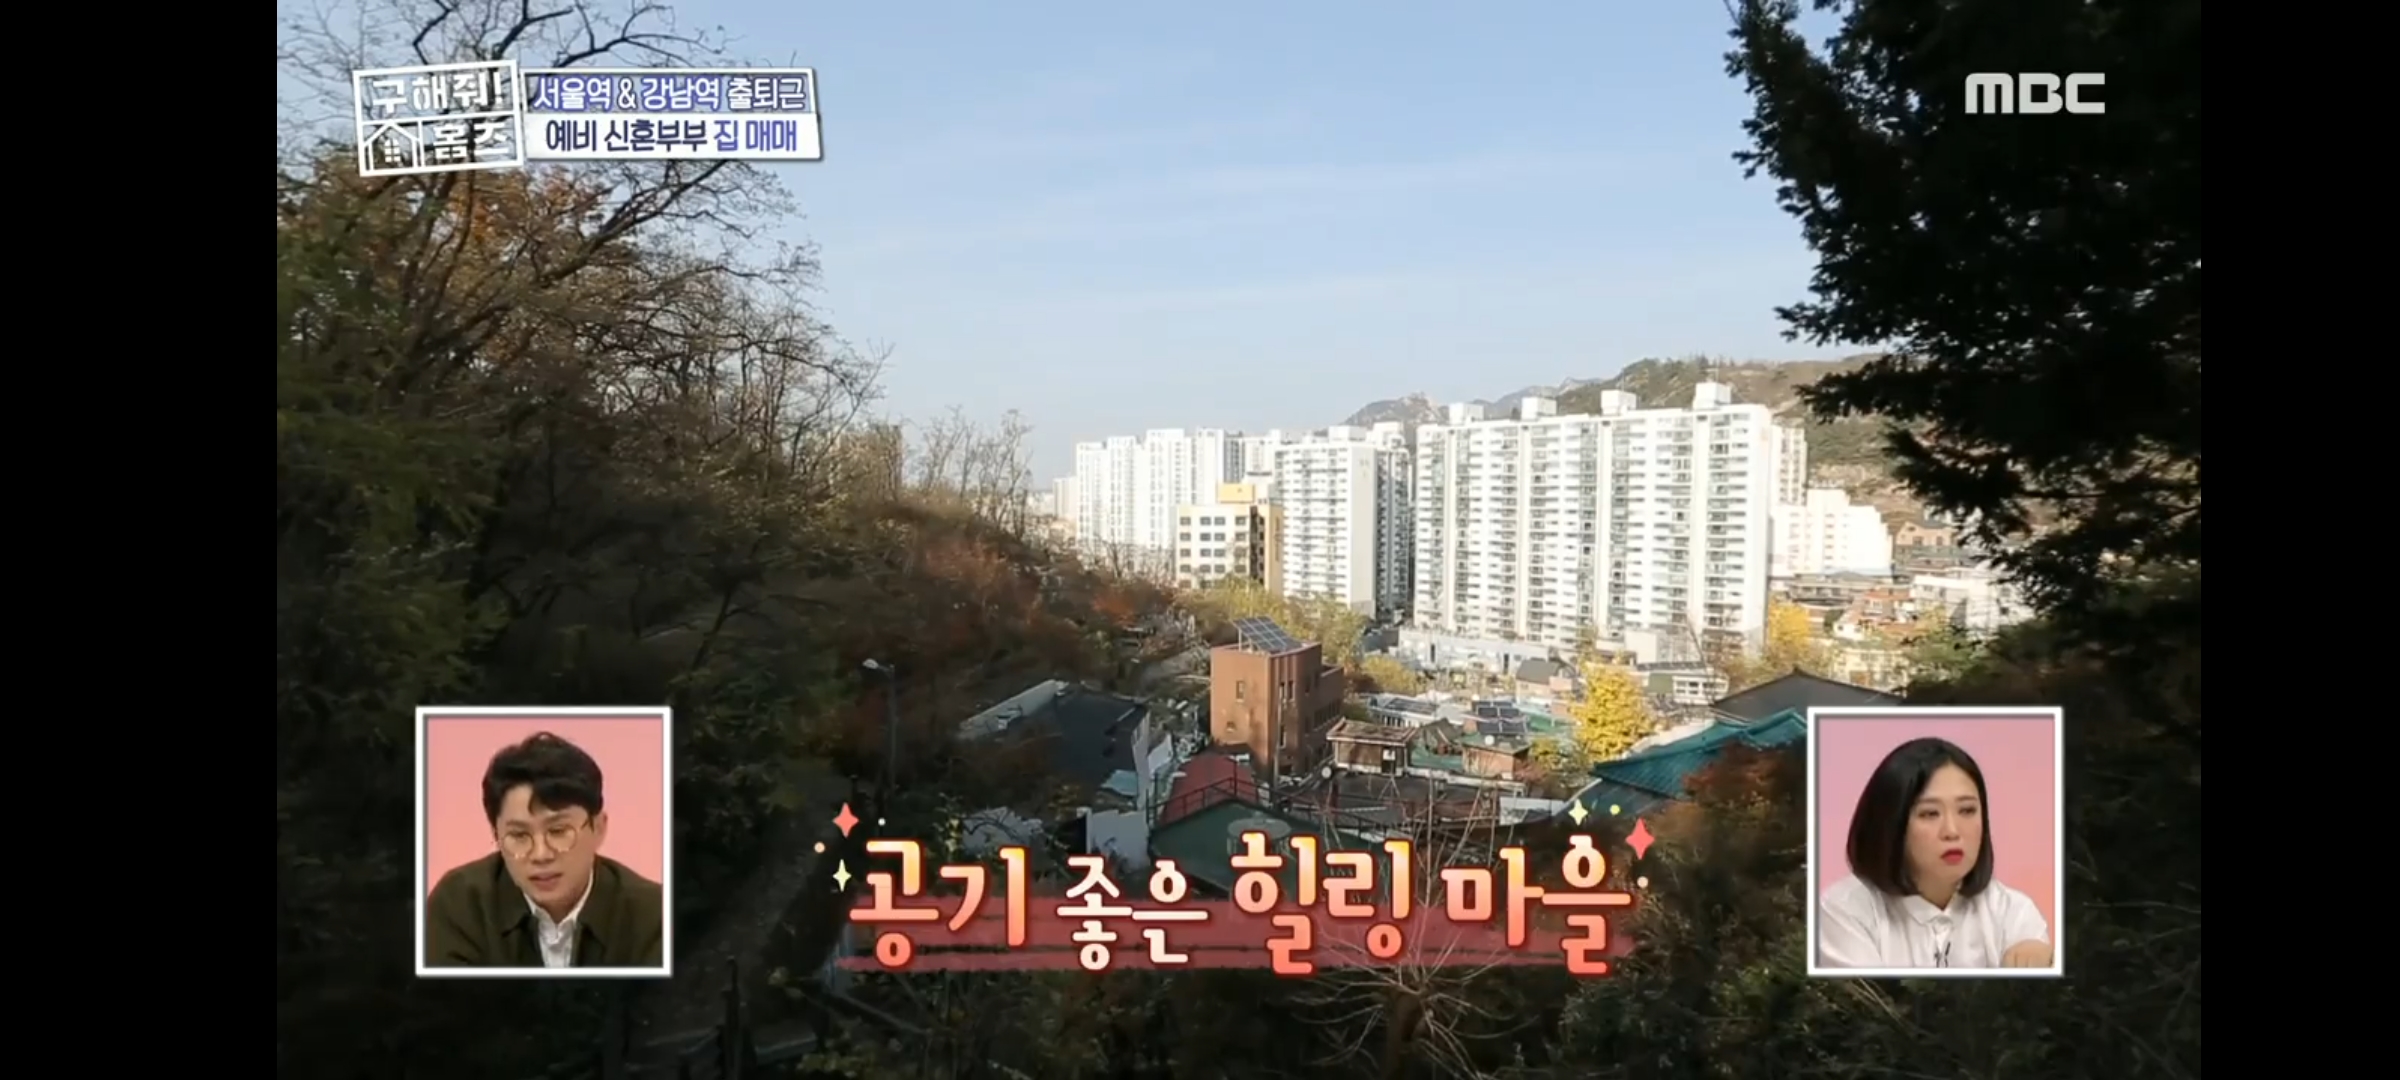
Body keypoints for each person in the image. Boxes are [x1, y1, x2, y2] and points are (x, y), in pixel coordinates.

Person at [424, 732, 665, 969]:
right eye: (519, 836)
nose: (541, 855)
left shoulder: (654, 915)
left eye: (558, 831)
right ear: (496, 835)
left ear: (599, 828)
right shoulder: (460, 905)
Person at [1818, 737, 2052, 970]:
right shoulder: (1845, 910)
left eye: (1967, 810)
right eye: (1930, 814)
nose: (1952, 831)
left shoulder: (2014, 913)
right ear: (1890, 823)